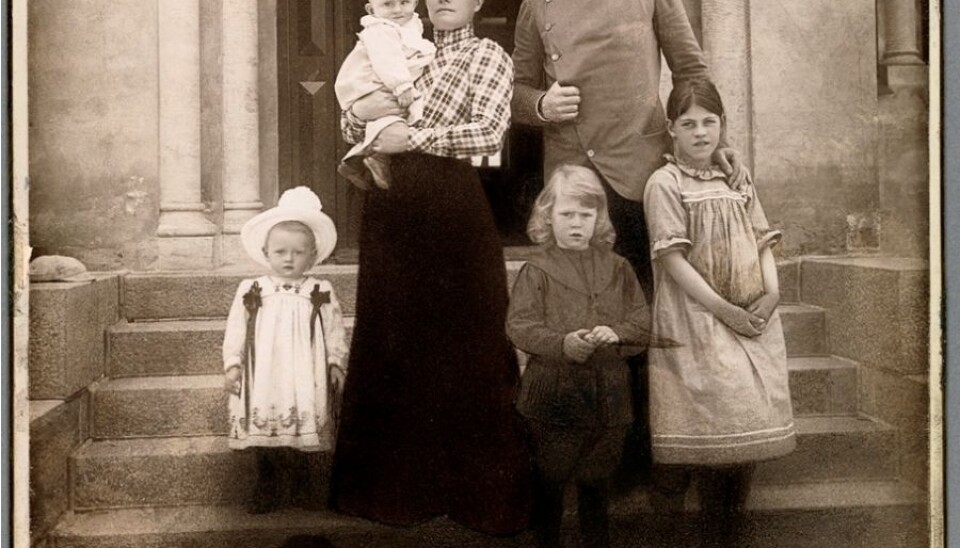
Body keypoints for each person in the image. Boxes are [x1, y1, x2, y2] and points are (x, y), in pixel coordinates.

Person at [511, 0, 746, 490]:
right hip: (576, 183)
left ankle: (656, 455)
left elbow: (690, 70)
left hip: (640, 177)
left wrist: (715, 144)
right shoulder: (537, 4)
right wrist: (540, 106)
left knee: (645, 323)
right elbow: (515, 89)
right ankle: (596, 470)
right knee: (580, 325)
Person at [329, 0, 533, 534]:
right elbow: (350, 123)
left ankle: (477, 495)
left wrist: (412, 137)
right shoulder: (393, 44)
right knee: (393, 335)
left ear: (477, 2)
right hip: (390, 206)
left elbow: (488, 133)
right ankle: (394, 493)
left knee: (471, 339)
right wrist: (368, 115)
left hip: (453, 204)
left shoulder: (486, 54)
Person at [643, 79, 795, 547]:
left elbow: (762, 241)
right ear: (671, 128)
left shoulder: (736, 179)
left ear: (722, 124)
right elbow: (672, 260)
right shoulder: (665, 183)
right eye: (688, 124)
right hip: (696, 319)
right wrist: (723, 310)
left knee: (742, 429)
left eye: (709, 122)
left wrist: (772, 294)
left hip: (751, 318)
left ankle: (730, 533)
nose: (700, 133)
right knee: (703, 433)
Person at [507, 165, 675, 547]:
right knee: (550, 485)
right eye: (567, 214)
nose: (576, 223)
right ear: (548, 216)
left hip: (608, 398)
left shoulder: (618, 268)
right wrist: (563, 343)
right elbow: (520, 326)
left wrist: (618, 333)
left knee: (596, 487)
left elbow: (641, 321)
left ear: (600, 218)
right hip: (554, 397)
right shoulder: (537, 270)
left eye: (586, 214)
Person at [222, 186, 348, 514]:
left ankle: (303, 484)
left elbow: (334, 328)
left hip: (303, 369)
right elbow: (236, 327)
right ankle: (266, 484)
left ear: (312, 255)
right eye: (280, 252)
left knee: (303, 421)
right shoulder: (252, 288)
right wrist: (233, 364)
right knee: (265, 421)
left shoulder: (319, 289)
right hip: (263, 371)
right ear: (266, 253)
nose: (289, 259)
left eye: (298, 252)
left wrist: (335, 362)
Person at [334, 0, 436, 189]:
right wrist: (402, 86)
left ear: (415, 3)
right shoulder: (380, 29)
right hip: (372, 82)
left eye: (404, 2)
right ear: (371, 9)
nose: (397, 10)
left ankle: (365, 158)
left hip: (386, 84)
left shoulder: (412, 25)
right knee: (393, 115)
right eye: (387, 4)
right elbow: (387, 60)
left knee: (393, 118)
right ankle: (371, 158)